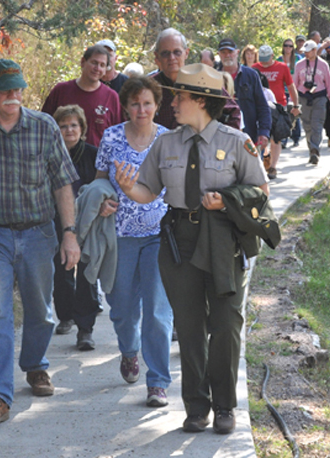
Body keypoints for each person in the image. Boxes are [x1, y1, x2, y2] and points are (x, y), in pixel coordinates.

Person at [114, 63, 271, 435]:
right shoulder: (166, 143)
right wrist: (127, 188)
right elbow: (148, 191)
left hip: (223, 241)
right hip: (179, 241)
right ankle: (196, 408)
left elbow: (260, 193)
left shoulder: (236, 142)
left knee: (226, 324)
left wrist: (227, 201)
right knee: (189, 327)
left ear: (201, 101)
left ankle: (225, 406)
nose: (173, 103)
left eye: (180, 96)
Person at [0, 59, 81, 424]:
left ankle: (35, 365)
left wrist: (69, 233)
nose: (14, 94)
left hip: (40, 233)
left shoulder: (44, 127)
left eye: (18, 87)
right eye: (5, 88)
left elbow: (62, 183)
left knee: (41, 313)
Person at [94, 76, 174, 408]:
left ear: (157, 106)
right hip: (119, 236)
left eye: (147, 103)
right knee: (123, 308)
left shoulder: (169, 140)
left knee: (157, 310)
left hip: (159, 235)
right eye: (135, 103)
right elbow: (99, 181)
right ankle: (129, 351)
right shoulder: (111, 138)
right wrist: (100, 202)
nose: (141, 109)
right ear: (125, 106)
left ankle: (157, 381)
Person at [50, 105, 101, 350]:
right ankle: (65, 315)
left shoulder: (93, 154)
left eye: (74, 125)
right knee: (61, 272)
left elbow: (103, 186)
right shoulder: (48, 154)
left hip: (88, 223)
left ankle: (86, 329)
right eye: (63, 125)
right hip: (56, 221)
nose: (69, 129)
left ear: (82, 129)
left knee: (87, 274)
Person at [42, 45, 123, 146]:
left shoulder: (111, 97)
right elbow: (44, 125)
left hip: (97, 159)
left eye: (102, 65)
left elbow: (119, 135)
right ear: (83, 62)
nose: (97, 68)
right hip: (62, 157)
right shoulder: (61, 90)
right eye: (94, 63)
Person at [252, 45, 300, 179]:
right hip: (259, 108)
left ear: (272, 56)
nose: (264, 62)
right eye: (262, 59)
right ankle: (262, 160)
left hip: (278, 108)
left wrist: (296, 105)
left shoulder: (282, 67)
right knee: (260, 138)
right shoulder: (254, 68)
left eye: (267, 59)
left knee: (276, 138)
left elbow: (291, 87)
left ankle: (273, 166)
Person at [218, 37, 271, 150]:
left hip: (249, 136)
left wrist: (264, 132)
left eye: (230, 52)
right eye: (223, 52)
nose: (227, 55)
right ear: (219, 54)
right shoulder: (212, 76)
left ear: (237, 53)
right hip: (221, 138)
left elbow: (262, 105)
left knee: (252, 167)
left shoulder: (251, 75)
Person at [293, 40, 330, 164]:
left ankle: (314, 150)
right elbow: (294, 84)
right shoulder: (299, 64)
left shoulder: (323, 65)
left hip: (319, 97)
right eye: (304, 52)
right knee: (307, 125)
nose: (306, 54)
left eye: (308, 51)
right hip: (304, 97)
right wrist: (293, 101)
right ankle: (312, 147)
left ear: (314, 51)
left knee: (317, 124)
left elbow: (329, 83)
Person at [151, 28, 190, 129]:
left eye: (177, 52)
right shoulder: (148, 86)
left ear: (186, 53)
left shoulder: (202, 82)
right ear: (157, 56)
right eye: (165, 53)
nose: (171, 58)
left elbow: (231, 115)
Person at [277, 38, 304, 147]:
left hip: (294, 90)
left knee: (294, 112)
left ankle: (296, 136)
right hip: (282, 90)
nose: (288, 48)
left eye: (290, 46)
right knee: (283, 114)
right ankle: (283, 138)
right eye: (286, 45)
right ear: (283, 47)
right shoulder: (279, 60)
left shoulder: (298, 59)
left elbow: (301, 74)